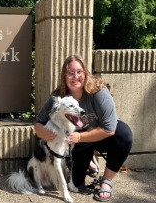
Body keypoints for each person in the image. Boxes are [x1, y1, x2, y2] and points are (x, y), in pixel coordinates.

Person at [34, 54, 133, 202]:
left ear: (85, 73)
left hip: (99, 137)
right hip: (78, 145)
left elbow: (110, 128)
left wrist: (80, 137)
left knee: (124, 134)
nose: (75, 76)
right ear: (64, 76)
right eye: (70, 73)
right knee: (75, 186)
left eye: (79, 72)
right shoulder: (59, 97)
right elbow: (38, 122)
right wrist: (43, 132)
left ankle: (106, 182)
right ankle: (88, 161)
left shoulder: (98, 92)